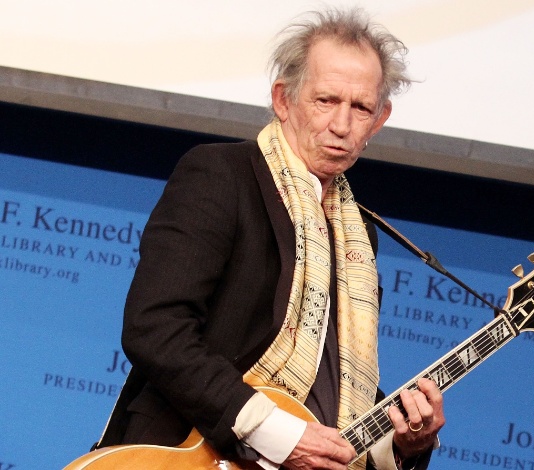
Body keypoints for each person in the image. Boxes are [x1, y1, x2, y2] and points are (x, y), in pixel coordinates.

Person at [97, 7, 445, 470]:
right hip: (188, 454)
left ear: (379, 119)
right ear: (284, 100)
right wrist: (275, 433)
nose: (342, 125)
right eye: (325, 100)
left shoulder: (358, 234)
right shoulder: (220, 174)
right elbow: (154, 328)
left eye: (360, 107)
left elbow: (331, 392)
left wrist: (401, 443)